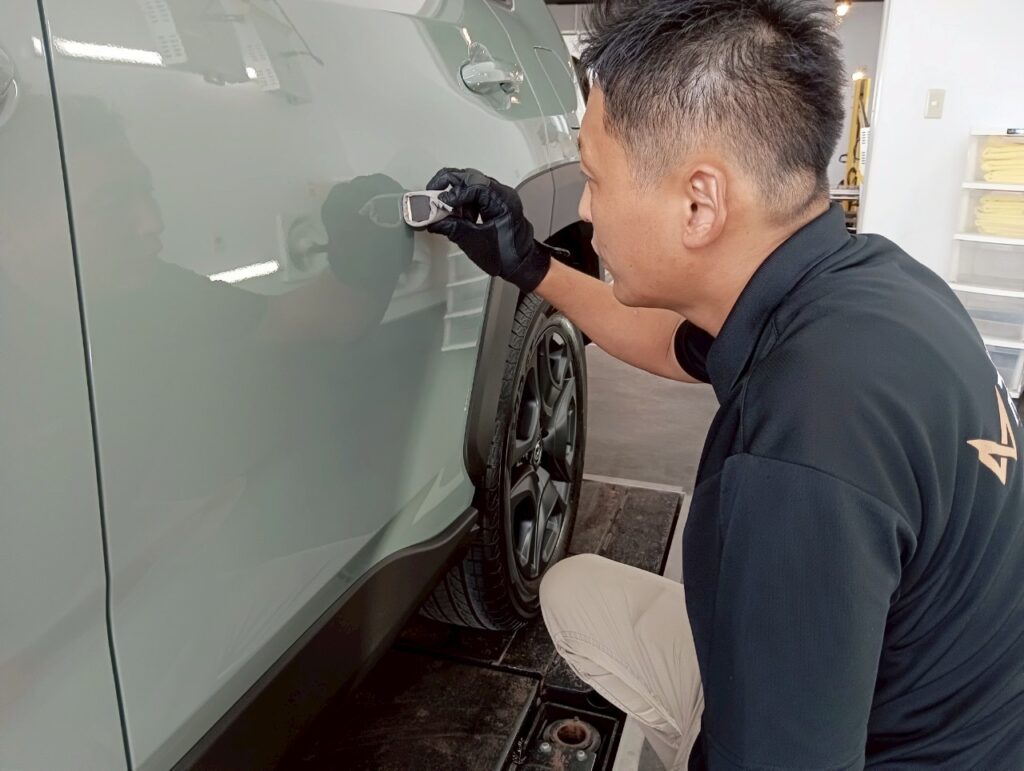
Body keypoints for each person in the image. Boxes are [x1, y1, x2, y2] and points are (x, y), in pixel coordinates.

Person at [422, 0, 1024, 768]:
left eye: (595, 178)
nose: (582, 207)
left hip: (889, 752)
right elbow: (669, 343)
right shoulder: (875, 282)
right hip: (955, 702)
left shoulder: (795, 462)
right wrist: (530, 264)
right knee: (576, 594)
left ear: (700, 203)